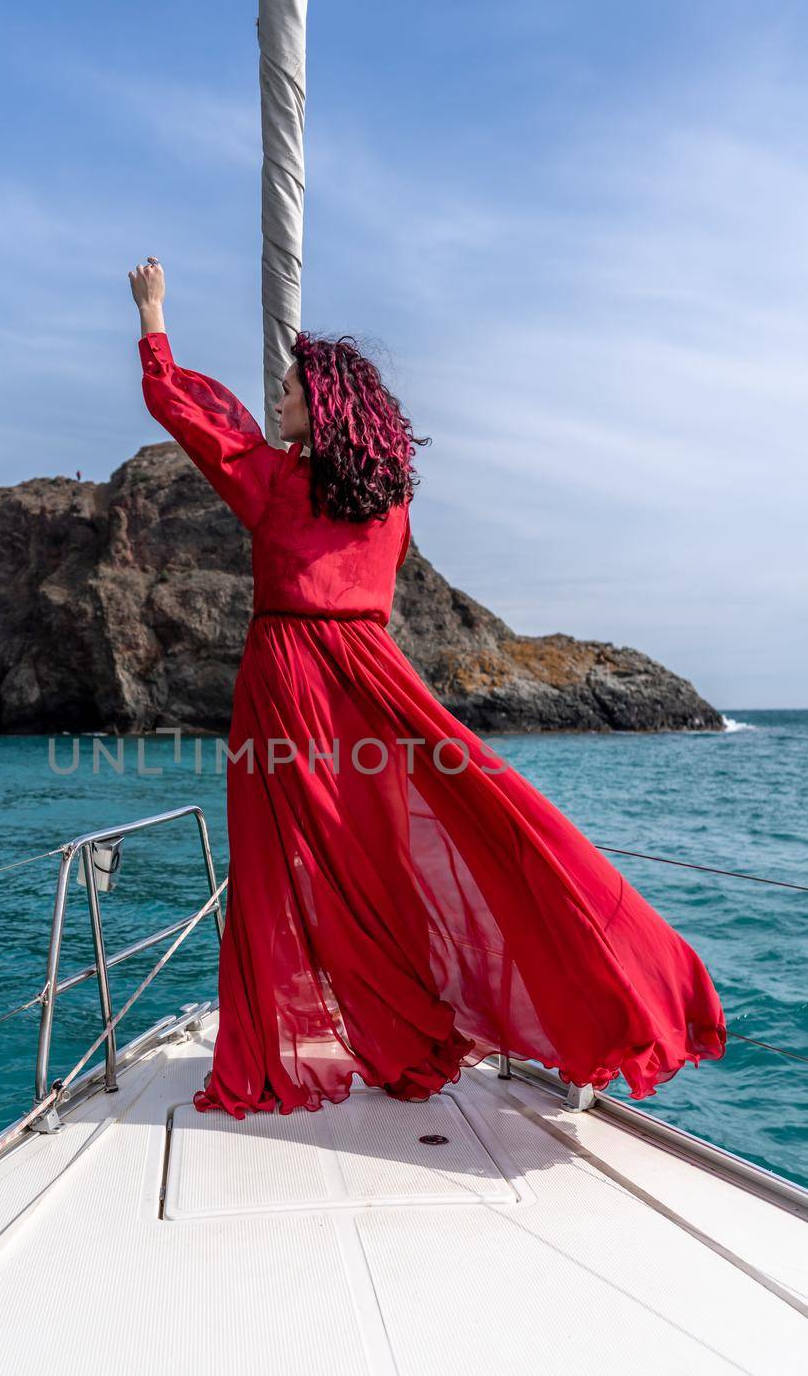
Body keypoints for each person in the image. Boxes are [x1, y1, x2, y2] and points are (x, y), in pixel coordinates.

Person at [128, 255, 727, 1120]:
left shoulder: (272, 482)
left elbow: (180, 411)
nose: (279, 403)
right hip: (375, 675)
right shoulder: (389, 500)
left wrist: (153, 317)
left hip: (292, 680)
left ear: (325, 405)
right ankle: (617, 994)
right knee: (476, 824)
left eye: (292, 391)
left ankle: (370, 1034)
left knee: (288, 867)